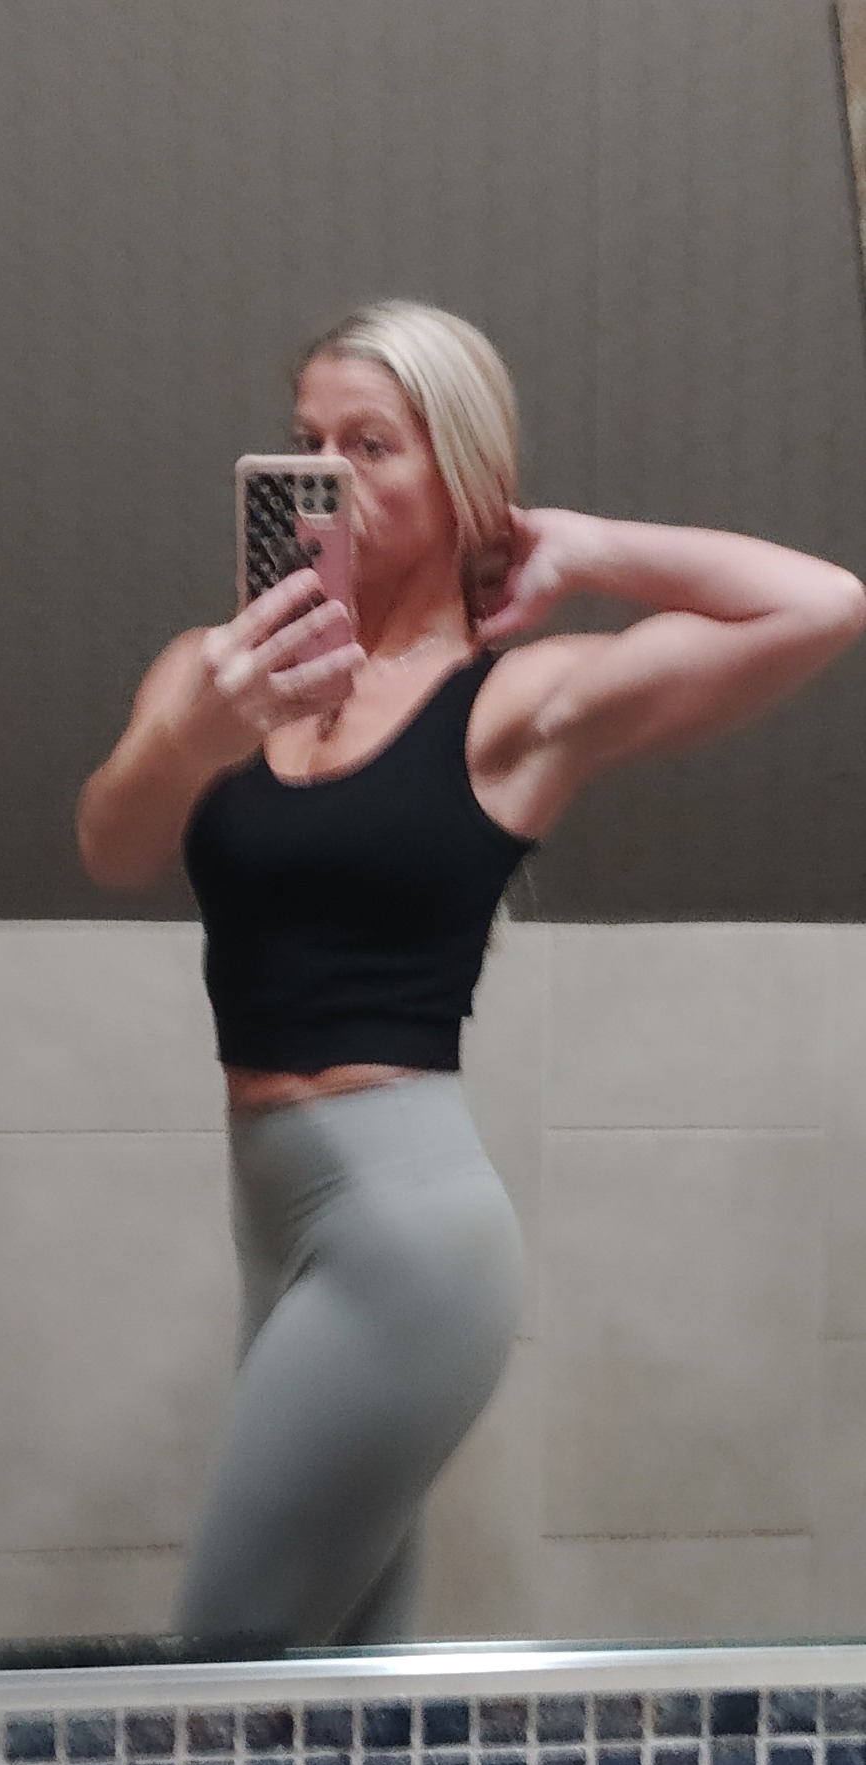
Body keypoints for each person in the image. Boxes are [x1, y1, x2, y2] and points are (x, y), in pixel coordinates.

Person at [76, 298, 866, 1651]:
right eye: (306, 443)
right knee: (347, 1688)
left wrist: (587, 548)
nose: (326, 477)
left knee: (222, 1671)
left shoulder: (514, 705)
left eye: (371, 446)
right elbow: (115, 847)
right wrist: (195, 733)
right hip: (273, 1218)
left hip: (409, 1238)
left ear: (462, 476)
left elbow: (824, 604)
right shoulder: (213, 680)